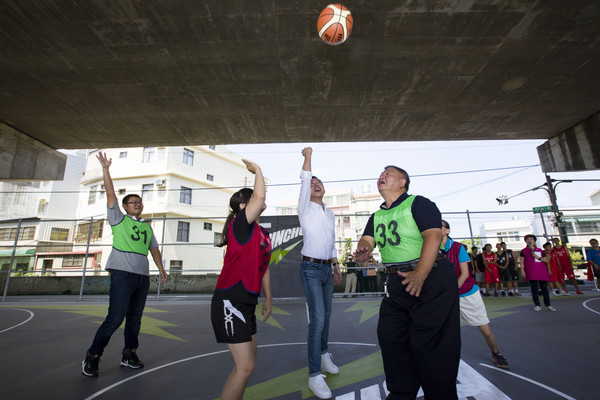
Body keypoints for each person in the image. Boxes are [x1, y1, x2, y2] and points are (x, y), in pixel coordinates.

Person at [354, 165, 460, 400]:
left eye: (388, 173)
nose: (382, 175)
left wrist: (420, 273)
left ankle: (440, 395)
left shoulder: (420, 204)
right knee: (391, 338)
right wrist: (364, 249)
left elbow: (433, 236)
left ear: (403, 182)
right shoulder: (377, 215)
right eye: (381, 173)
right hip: (397, 281)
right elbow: (367, 239)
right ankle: (402, 392)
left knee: (432, 347)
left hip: (431, 277)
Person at [82, 152, 169, 378]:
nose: (138, 204)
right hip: (122, 275)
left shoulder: (147, 227)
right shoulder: (118, 219)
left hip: (141, 277)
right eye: (133, 202)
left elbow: (154, 249)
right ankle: (93, 356)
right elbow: (110, 192)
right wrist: (105, 169)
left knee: (135, 319)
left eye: (140, 202)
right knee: (115, 318)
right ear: (124, 206)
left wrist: (160, 269)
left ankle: (129, 354)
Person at [210, 159, 272, 400]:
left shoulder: (262, 234)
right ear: (245, 206)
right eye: (255, 198)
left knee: (247, 364)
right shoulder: (240, 225)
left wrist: (268, 298)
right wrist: (258, 171)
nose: (261, 199)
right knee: (245, 367)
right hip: (230, 300)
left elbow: (263, 268)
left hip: (247, 301)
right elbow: (258, 198)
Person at [298, 147, 342, 399]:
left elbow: (332, 242)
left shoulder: (330, 213)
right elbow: (305, 180)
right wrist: (307, 158)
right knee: (317, 320)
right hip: (311, 269)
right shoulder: (304, 207)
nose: (315, 184)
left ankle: (324, 354)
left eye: (319, 182)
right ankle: (315, 374)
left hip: (326, 268)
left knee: (326, 315)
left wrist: (335, 266)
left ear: (325, 189)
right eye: (313, 182)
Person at [442, 220, 508, 369]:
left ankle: (496, 352)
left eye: (440, 226)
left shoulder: (458, 248)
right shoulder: (431, 248)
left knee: (485, 330)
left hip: (466, 293)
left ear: (447, 231)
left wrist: (451, 293)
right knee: (442, 330)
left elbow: (464, 274)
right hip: (445, 296)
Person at [520, 234, 555, 312]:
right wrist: (522, 271)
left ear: (534, 241)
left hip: (541, 271)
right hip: (531, 272)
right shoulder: (523, 251)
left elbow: (546, 260)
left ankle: (548, 304)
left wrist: (537, 257)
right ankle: (537, 305)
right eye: (528, 239)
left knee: (544, 289)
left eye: (531, 239)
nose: (530, 241)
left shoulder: (540, 250)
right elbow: (521, 262)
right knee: (534, 289)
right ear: (526, 241)